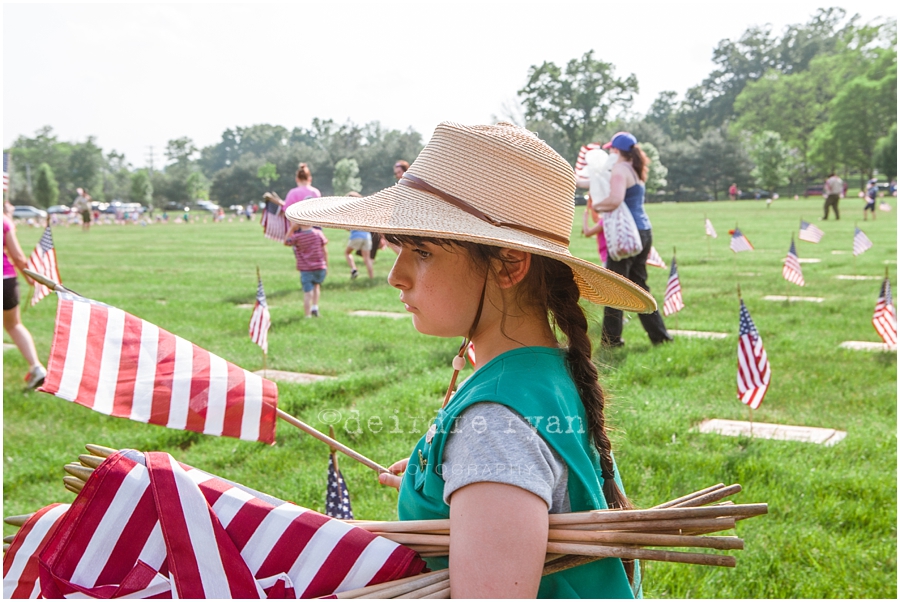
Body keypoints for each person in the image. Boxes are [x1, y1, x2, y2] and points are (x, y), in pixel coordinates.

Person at [285, 122, 656, 598]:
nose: (395, 276)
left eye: (421, 250)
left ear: (507, 264)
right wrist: (451, 477)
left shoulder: (496, 428)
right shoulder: (544, 372)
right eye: (398, 248)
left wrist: (482, 463)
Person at [593, 132, 672, 347]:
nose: (609, 152)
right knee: (640, 287)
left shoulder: (619, 169)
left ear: (617, 151)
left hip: (626, 236)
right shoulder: (635, 169)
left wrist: (596, 205)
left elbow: (615, 200)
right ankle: (660, 336)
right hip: (644, 231)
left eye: (611, 149)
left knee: (614, 288)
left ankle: (611, 340)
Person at [3, 203, 47, 388]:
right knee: (14, 325)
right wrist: (31, 278)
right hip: (6, 280)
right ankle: (36, 367)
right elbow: (18, 257)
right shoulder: (4, 221)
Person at [284, 223, 328, 317]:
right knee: (317, 285)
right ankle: (315, 307)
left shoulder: (297, 237)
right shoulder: (318, 233)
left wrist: (291, 229)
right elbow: (325, 250)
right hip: (319, 266)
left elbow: (286, 242)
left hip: (305, 268)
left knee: (307, 292)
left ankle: (307, 315)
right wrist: (326, 265)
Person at [343, 191, 374, 279]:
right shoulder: (363, 211)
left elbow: (347, 228)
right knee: (367, 258)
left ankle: (354, 269)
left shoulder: (350, 212)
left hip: (356, 236)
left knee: (347, 253)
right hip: (367, 236)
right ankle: (371, 277)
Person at [581, 200, 607, 266]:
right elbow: (596, 219)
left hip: (607, 257)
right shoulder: (605, 219)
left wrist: (584, 219)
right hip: (606, 256)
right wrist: (591, 203)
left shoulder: (604, 221)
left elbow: (587, 233)